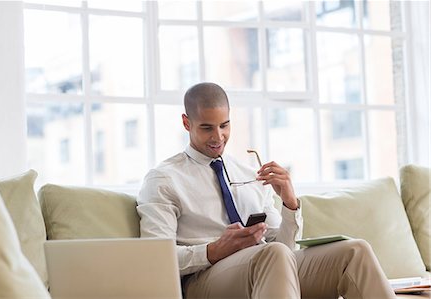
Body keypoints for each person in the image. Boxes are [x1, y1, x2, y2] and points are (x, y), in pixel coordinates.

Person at [137, 82, 396, 299]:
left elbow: (284, 247)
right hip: (203, 279)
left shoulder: (249, 174)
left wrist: (289, 203)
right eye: (207, 127)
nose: (218, 136)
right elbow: (154, 259)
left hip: (266, 265)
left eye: (224, 125)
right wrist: (215, 250)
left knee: (355, 251)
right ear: (186, 122)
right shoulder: (163, 179)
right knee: (271, 255)